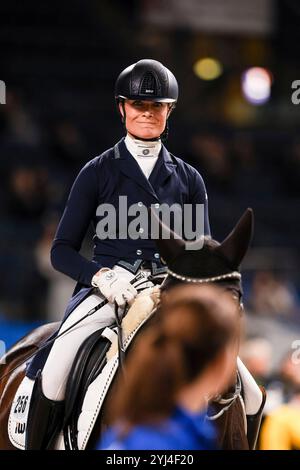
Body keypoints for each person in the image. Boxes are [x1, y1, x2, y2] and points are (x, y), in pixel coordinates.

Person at [19, 59, 210, 449]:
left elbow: (200, 255)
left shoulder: (190, 179)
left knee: (245, 388)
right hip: (106, 292)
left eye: (156, 105)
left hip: (167, 294)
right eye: (138, 105)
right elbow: (61, 251)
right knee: (54, 371)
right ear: (122, 108)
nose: (147, 112)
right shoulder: (97, 172)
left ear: (168, 111)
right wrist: (101, 277)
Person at [97, 284, 240, 450]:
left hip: (178, 286)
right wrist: (103, 278)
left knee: (254, 397)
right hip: (117, 289)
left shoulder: (122, 433)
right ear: (221, 362)